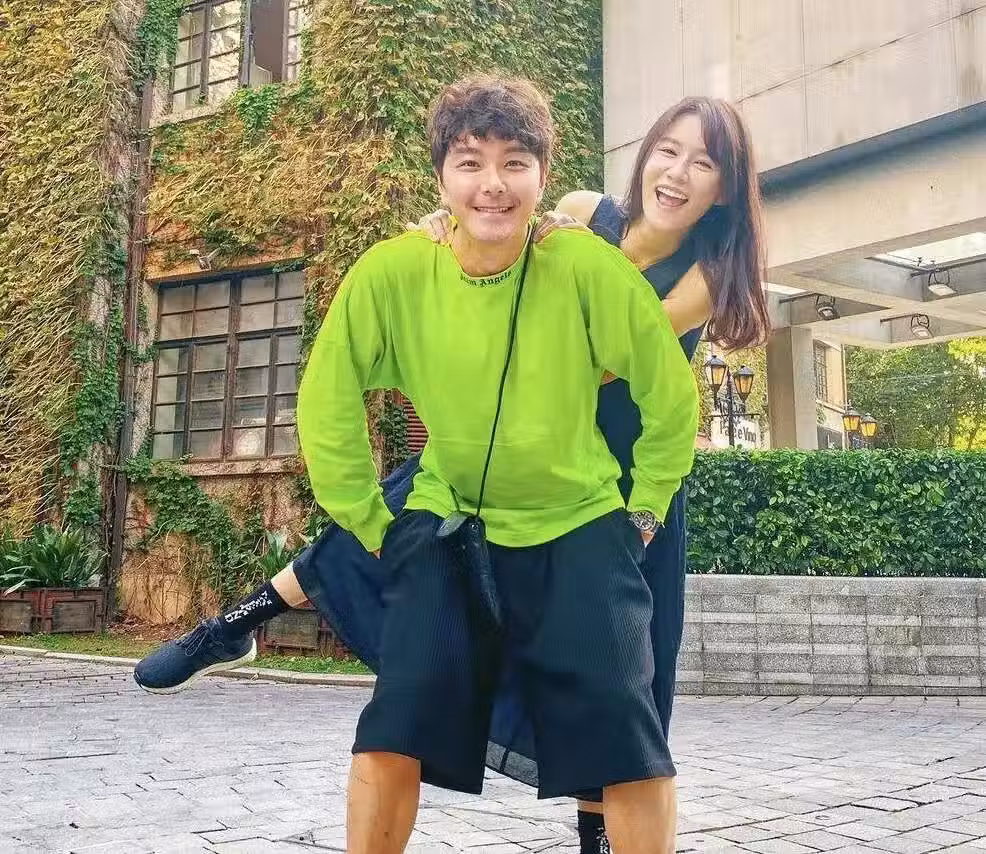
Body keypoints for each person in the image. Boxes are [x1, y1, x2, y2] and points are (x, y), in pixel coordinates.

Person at [135, 91, 768, 853]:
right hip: (483, 440)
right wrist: (463, 239)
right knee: (367, 540)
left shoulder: (705, 270)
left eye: (704, 162)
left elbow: (611, 356)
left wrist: (521, 270)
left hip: (608, 464)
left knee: (623, 695)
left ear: (725, 187)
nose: (678, 171)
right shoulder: (581, 209)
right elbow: (488, 227)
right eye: (668, 149)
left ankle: (595, 838)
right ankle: (234, 625)